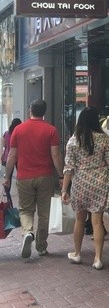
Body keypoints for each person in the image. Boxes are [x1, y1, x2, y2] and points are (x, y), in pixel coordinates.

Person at [2, 100, 64, 258]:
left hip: (24, 176)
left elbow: (12, 155)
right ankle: (41, 246)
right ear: (44, 112)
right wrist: (61, 175)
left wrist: (7, 176)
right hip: (45, 176)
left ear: (30, 110)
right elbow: (55, 155)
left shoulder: (18, 129)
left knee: (25, 209)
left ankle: (28, 232)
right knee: (44, 213)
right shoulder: (51, 130)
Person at [61, 106, 109, 270]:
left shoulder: (73, 140)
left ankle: (77, 253)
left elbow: (68, 168)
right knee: (97, 222)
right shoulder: (104, 139)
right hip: (99, 182)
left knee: (80, 219)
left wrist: (64, 190)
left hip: (80, 182)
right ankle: (98, 259)